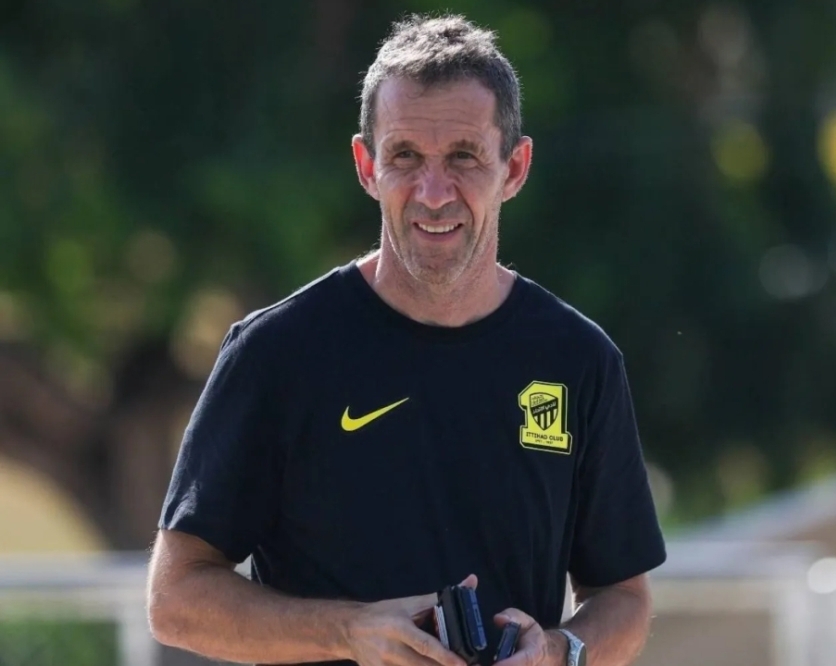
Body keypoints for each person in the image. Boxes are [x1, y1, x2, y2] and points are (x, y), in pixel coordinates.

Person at [147, 13, 666, 666]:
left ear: (514, 167)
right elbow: (175, 598)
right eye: (405, 157)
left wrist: (558, 652)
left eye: (463, 157)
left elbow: (624, 596)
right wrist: (349, 632)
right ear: (367, 166)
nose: (433, 192)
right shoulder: (276, 353)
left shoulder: (578, 359)